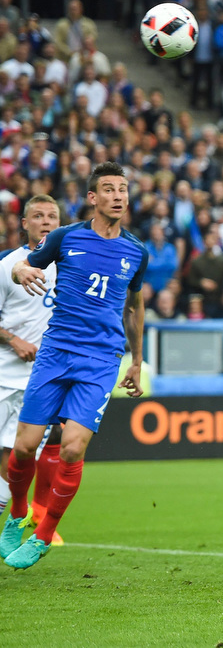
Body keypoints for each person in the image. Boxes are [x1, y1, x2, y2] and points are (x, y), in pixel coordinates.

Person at [1, 161, 148, 569]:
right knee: (25, 448)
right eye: (109, 189)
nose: (118, 196)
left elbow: (134, 307)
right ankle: (17, 514)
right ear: (92, 198)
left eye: (123, 189)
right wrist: (20, 269)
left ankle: (44, 535)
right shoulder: (65, 238)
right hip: (56, 353)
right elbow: (21, 263)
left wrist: (137, 361)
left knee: (72, 448)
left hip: (101, 360)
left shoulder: (136, 250)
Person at [0, 196, 61, 543]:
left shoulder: (70, 267)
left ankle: (29, 517)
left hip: (40, 383)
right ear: (25, 223)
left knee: (18, 461)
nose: (46, 221)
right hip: (2, 376)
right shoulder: (8, 265)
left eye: (52, 216)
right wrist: (12, 340)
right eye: (38, 216)